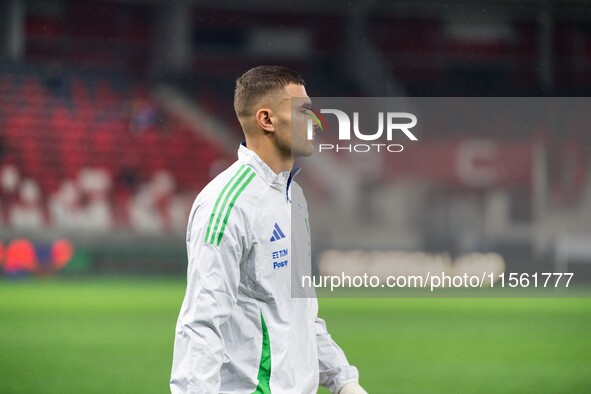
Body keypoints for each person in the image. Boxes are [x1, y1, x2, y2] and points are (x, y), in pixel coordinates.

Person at [170, 66, 368, 394]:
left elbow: (300, 312)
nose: (317, 122)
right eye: (304, 111)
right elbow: (200, 324)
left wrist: (343, 380)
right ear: (267, 120)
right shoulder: (227, 204)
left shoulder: (295, 198)